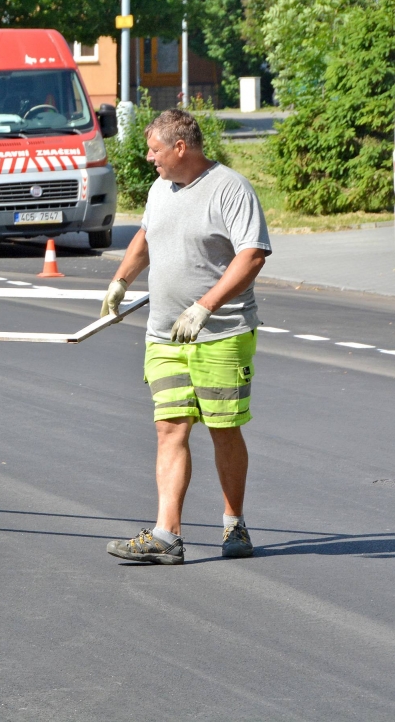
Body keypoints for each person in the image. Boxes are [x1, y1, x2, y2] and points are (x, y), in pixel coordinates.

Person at [100, 109, 270, 565]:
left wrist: (204, 306)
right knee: (169, 428)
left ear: (181, 147)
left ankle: (234, 523)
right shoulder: (160, 189)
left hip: (221, 333)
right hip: (164, 336)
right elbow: (146, 237)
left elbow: (252, 255)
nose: (148, 157)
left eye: (155, 149)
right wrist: (121, 281)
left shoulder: (229, 188)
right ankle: (166, 535)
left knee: (222, 428)